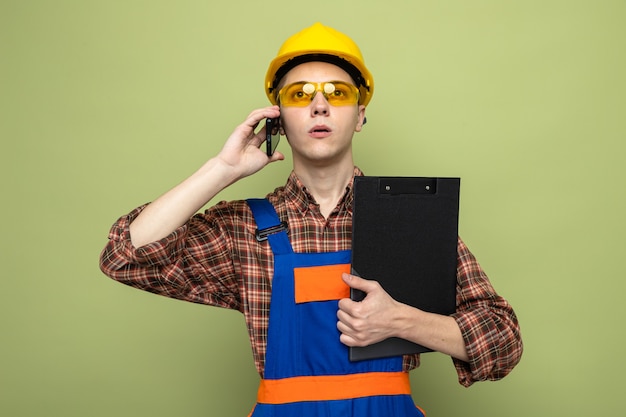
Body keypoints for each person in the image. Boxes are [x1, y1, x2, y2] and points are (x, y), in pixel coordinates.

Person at [99, 22, 522, 416]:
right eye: (300, 94)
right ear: (278, 117)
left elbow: (503, 340)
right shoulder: (244, 230)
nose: (319, 105)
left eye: (337, 93)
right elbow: (124, 257)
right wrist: (222, 170)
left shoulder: (409, 221)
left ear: (359, 115)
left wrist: (402, 321)